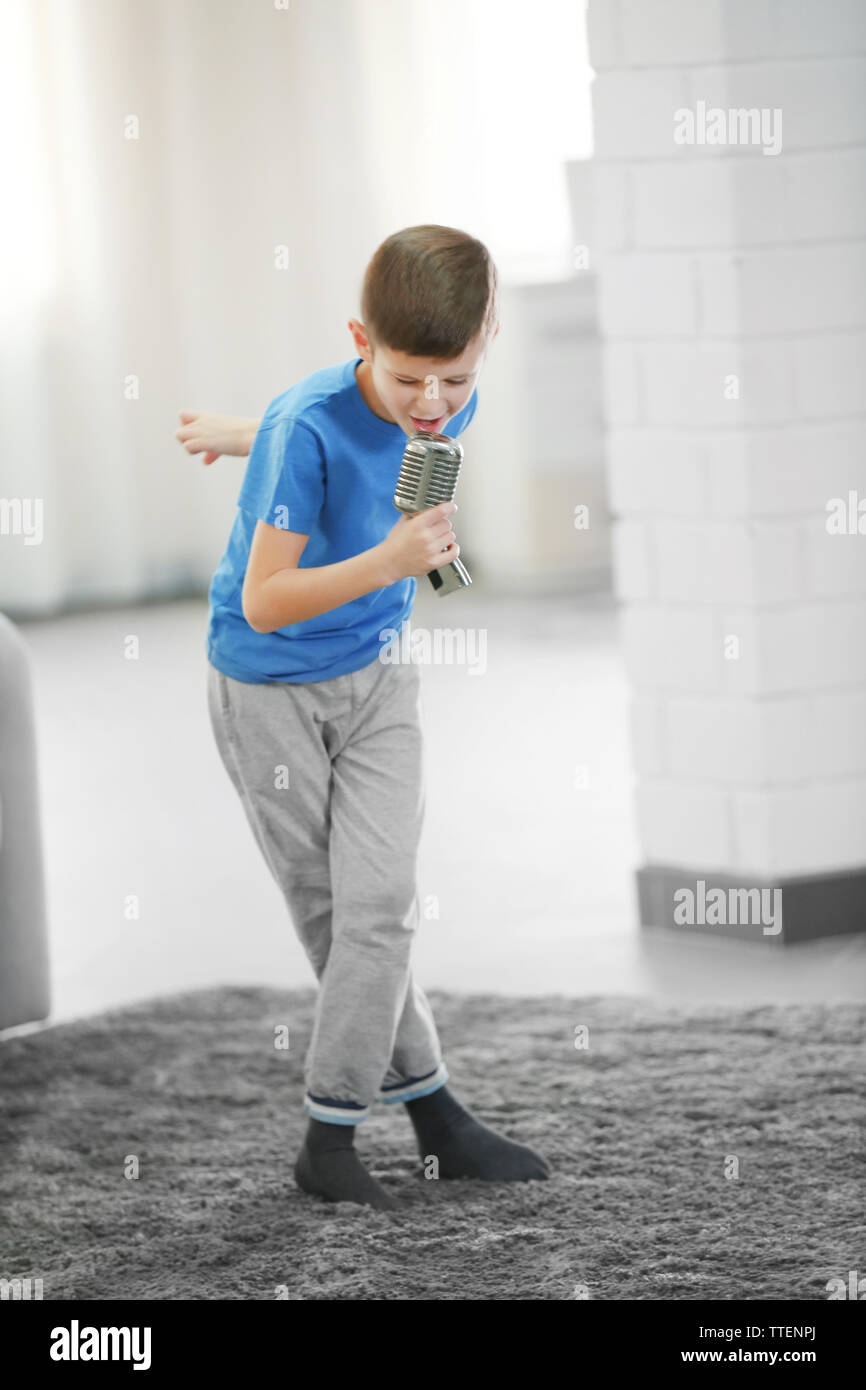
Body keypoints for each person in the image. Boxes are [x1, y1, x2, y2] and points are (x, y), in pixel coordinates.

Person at [178, 224, 550, 1210]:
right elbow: (265, 599)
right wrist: (388, 556)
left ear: (486, 344)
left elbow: (384, 469)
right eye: (408, 379)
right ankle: (422, 1119)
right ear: (360, 341)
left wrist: (251, 435)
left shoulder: (443, 405)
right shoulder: (306, 422)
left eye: (456, 380)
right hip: (269, 688)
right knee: (341, 920)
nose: (432, 403)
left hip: (380, 674)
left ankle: (340, 1134)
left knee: (378, 908)